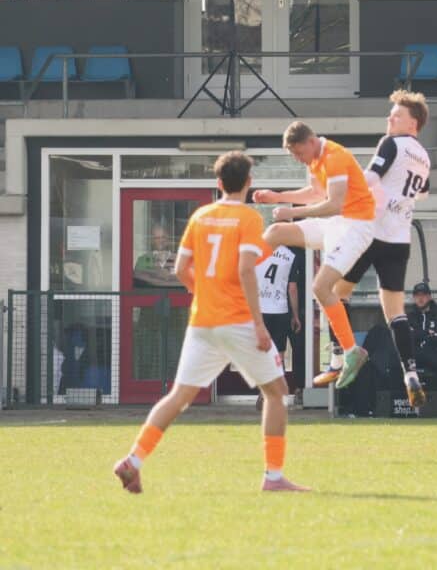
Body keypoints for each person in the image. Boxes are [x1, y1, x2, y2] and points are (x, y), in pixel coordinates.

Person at [113, 151, 307, 493]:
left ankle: (134, 459)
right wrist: (259, 324)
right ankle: (274, 477)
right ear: (249, 183)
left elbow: (180, 269)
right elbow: (246, 269)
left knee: (178, 397)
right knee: (277, 393)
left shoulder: (200, 216)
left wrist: (203, 292)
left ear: (218, 182)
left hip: (202, 321)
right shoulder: (248, 218)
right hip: (238, 321)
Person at [287, 91, 432, 406]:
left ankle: (338, 357)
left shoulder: (391, 143)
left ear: (413, 123)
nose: (390, 118)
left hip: (370, 231)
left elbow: (369, 178)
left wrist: (339, 188)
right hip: (399, 239)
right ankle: (411, 374)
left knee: (333, 292)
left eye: (397, 115)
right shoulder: (424, 155)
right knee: (395, 312)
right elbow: (423, 193)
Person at [253, 122, 377, 395]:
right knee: (275, 232)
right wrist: (278, 197)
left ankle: (351, 351)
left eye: (299, 153)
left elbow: (334, 204)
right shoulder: (315, 160)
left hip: (356, 227)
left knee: (320, 287)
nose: (299, 159)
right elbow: (315, 194)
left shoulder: (335, 157)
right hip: (335, 223)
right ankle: (235, 276)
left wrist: (293, 212)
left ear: (310, 142)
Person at [255, 245, 304, 396]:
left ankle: (264, 392)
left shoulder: (257, 251)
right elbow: (292, 288)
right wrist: (295, 315)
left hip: (260, 309)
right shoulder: (290, 255)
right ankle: (278, 392)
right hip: (280, 310)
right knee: (279, 354)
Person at [408, 281, 437, 407]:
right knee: (398, 364)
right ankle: (401, 403)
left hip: (434, 353)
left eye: (423, 295)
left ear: (429, 297)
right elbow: (408, 336)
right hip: (414, 353)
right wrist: (427, 333)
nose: (420, 298)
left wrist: (419, 335)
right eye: (417, 295)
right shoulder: (409, 316)